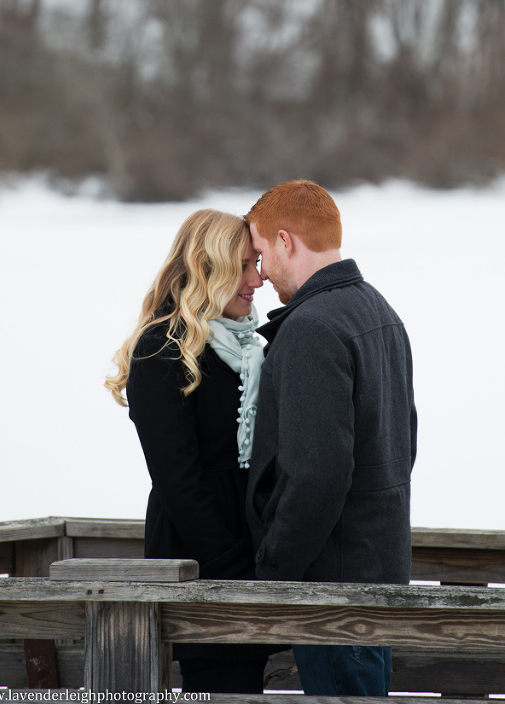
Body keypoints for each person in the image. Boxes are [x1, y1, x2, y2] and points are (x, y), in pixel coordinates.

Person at [245, 180, 417, 697]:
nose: (259, 272)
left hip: (333, 596)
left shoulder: (312, 328)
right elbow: (405, 443)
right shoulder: (378, 310)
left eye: (259, 253)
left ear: (284, 241)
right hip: (377, 580)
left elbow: (316, 474)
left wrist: (271, 574)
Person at [105, 208, 272, 694]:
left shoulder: (252, 349)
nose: (256, 280)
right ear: (207, 269)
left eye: (256, 263)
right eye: (242, 266)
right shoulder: (161, 350)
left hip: (252, 563)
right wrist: (232, 570)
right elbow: (178, 480)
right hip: (199, 561)